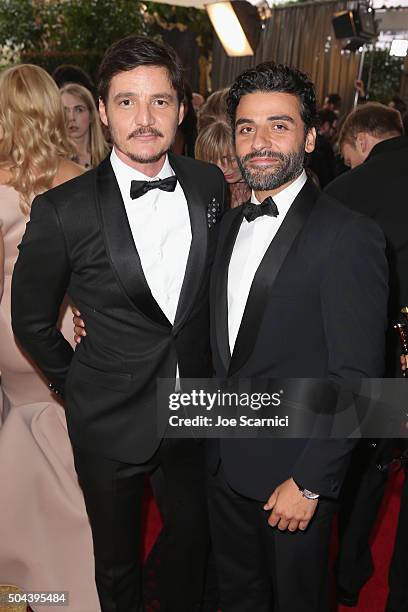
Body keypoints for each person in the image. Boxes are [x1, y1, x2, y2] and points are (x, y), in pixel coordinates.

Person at [11, 36, 227, 612]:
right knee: (116, 562)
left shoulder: (209, 186)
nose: (146, 117)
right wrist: (76, 384)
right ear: (103, 112)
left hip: (195, 408)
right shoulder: (64, 208)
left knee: (191, 545)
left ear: (183, 109)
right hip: (107, 418)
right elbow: (29, 320)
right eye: (127, 102)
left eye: (160, 101)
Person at [206, 62, 388, 611]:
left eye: (278, 126)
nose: (259, 142)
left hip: (293, 481)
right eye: (246, 127)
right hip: (221, 467)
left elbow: (358, 378)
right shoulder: (229, 225)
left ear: (310, 137)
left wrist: (311, 481)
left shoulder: (349, 234)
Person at [0, 64, 99, 611]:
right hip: (63, 324)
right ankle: (66, 577)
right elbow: (92, 270)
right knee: (67, 457)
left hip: (8, 332)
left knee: (20, 444)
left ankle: (19, 571)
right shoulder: (77, 175)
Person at [324, 101, 408, 609]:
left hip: (375, 356)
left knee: (363, 469)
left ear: (359, 142)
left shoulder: (346, 193)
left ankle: (347, 573)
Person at [195, 120, 251, 208]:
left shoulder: (264, 184)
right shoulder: (200, 193)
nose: (222, 168)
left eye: (231, 160)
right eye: (212, 161)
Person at [61, 82, 110, 168]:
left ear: (91, 115)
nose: (71, 118)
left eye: (79, 110)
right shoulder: (52, 159)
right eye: (65, 111)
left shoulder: (112, 156)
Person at [307, 108, 337, 187]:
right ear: (326, 125)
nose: (334, 132)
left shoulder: (304, 141)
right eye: (333, 128)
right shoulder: (326, 147)